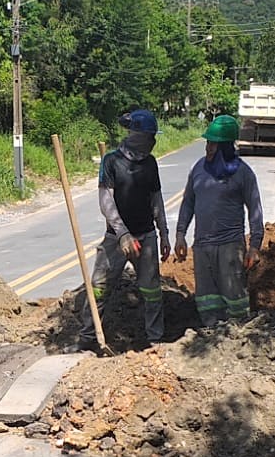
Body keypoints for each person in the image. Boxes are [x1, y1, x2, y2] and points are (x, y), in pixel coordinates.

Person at [74, 109, 170, 349]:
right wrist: (123, 234)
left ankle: (155, 340)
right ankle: (88, 338)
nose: (152, 141)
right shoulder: (112, 161)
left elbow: (156, 200)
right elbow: (106, 202)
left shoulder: (150, 164)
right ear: (136, 135)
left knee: (152, 291)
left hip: (146, 237)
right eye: (149, 136)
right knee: (98, 288)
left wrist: (164, 233)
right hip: (115, 239)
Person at [173, 114, 264, 327]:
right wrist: (180, 234)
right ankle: (211, 336)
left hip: (230, 247)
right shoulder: (198, 169)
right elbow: (188, 203)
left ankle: (239, 336)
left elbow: (255, 210)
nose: (207, 148)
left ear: (225, 147)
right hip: (202, 247)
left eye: (212, 144)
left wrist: (254, 246)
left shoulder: (243, 173)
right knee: (206, 300)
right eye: (207, 142)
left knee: (235, 300)